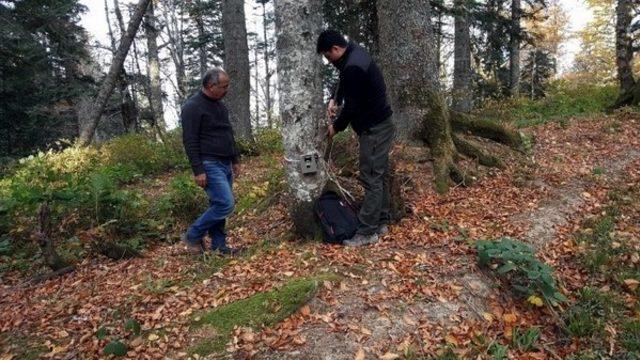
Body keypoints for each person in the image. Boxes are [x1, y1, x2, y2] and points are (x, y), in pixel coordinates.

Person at [316, 30, 395, 247]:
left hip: (374, 128)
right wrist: (334, 98)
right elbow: (343, 81)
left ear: (335, 49)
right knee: (379, 173)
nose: (328, 60)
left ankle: (368, 231)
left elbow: (352, 107)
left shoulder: (353, 66)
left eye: (327, 56)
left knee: (371, 177)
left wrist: (336, 127)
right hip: (379, 124)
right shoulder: (352, 54)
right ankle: (382, 219)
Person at [180, 68, 241, 255]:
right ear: (210, 86)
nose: (227, 90)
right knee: (225, 203)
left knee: (218, 205)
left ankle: (219, 246)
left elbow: (228, 133)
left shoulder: (220, 106)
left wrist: (235, 159)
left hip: (225, 163)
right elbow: (190, 140)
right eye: (224, 86)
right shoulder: (192, 107)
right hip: (209, 163)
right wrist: (198, 170)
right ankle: (193, 235)